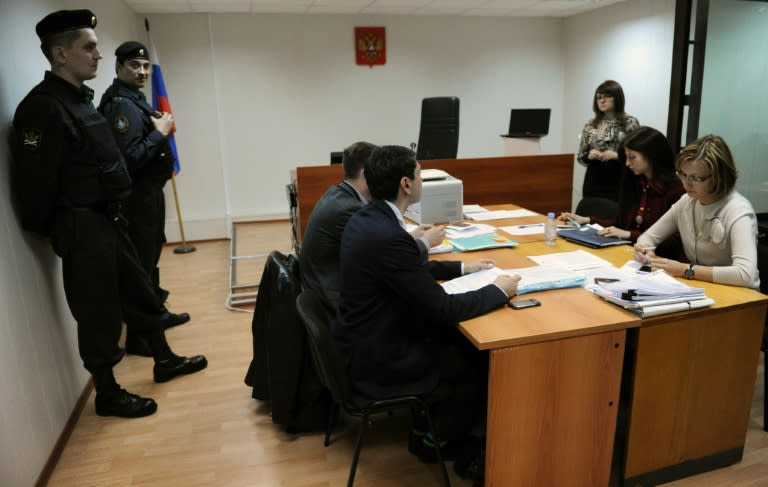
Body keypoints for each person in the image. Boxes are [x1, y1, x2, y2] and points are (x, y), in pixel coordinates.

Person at [11, 10, 207, 418]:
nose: (98, 55)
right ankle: (108, 392)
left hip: (110, 220)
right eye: (89, 47)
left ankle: (164, 358)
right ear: (60, 53)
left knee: (141, 291)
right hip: (83, 227)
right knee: (98, 312)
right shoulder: (43, 109)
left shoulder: (80, 101)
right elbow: (35, 185)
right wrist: (63, 229)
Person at [331, 145, 520, 466]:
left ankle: (432, 429)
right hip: (383, 358)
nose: (421, 181)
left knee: (456, 342)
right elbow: (443, 308)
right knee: (477, 357)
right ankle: (437, 441)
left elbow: (403, 270)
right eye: (420, 175)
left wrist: (461, 268)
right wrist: (498, 291)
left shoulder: (368, 219)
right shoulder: (388, 235)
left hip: (364, 340)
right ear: (406, 184)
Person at [98, 41, 189, 356]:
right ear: (119, 67)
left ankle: (156, 318)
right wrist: (159, 132)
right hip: (136, 201)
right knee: (139, 267)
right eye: (134, 66)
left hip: (148, 196)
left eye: (146, 66)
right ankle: (141, 337)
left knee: (148, 261)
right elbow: (129, 158)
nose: (142, 71)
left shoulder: (133, 100)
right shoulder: (121, 105)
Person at [299, 141, 444, 312]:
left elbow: (379, 247)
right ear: (365, 174)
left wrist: (410, 238)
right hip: (334, 301)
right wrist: (425, 242)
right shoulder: (350, 210)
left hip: (323, 286)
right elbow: (393, 257)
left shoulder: (338, 194)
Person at [634, 134, 760, 289]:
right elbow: (648, 238)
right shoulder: (687, 201)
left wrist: (685, 270)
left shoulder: (738, 210)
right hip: (703, 288)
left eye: (696, 178)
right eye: (683, 175)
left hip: (741, 297)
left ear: (718, 177)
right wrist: (645, 252)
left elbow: (745, 275)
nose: (686, 184)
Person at [560, 126, 685, 258]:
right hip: (630, 254)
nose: (627, 163)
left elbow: (675, 241)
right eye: (625, 157)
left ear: (651, 155)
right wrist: (586, 220)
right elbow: (620, 225)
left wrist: (629, 235)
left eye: (632, 157)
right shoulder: (635, 182)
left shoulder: (677, 190)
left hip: (660, 260)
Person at [578, 80, 640, 201]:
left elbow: (638, 155)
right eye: (599, 97)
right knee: (590, 214)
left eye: (607, 97)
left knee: (614, 215)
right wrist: (588, 155)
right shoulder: (591, 124)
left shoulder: (629, 123)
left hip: (619, 178)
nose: (602, 100)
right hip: (593, 179)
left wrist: (617, 156)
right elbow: (581, 156)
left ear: (617, 98)